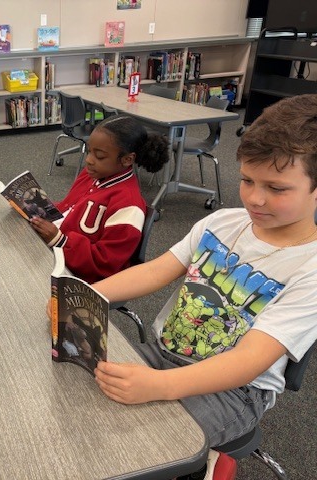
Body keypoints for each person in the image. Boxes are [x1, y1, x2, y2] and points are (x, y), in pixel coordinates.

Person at [90, 94, 317, 454]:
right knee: (83, 399)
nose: (255, 199)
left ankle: (203, 465)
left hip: (234, 392)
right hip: (163, 354)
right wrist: (87, 295)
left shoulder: (310, 269)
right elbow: (155, 271)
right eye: (246, 180)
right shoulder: (222, 222)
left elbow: (248, 362)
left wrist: (158, 386)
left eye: (276, 188)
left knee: (133, 447)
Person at [31, 115, 170, 283]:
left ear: (127, 159)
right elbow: (70, 208)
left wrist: (59, 240)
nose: (89, 160)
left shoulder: (128, 206)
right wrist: (42, 207)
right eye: (89, 151)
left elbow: (105, 264)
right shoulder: (93, 175)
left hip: (78, 274)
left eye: (100, 156)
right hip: (58, 248)